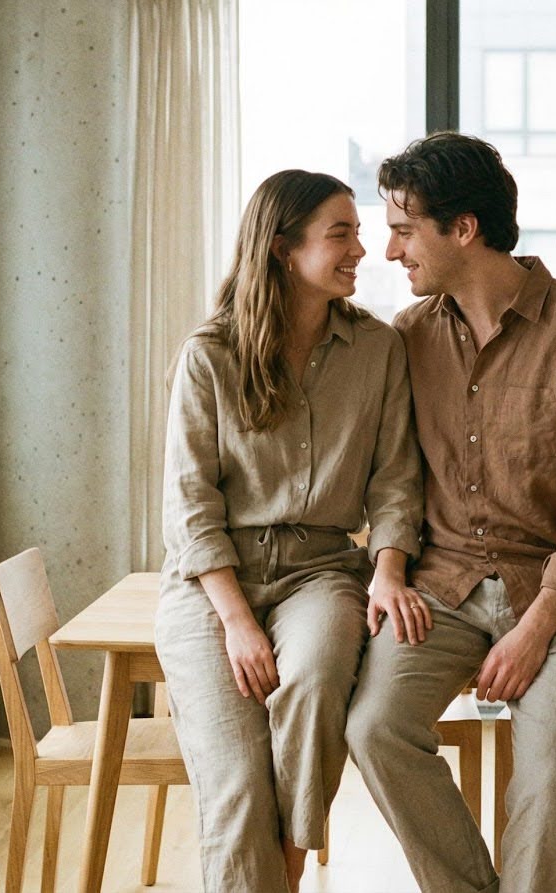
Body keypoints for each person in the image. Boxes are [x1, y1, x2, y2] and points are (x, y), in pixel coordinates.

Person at [346, 133, 556, 892]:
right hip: (441, 590)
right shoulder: (407, 338)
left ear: (463, 228)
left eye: (405, 229)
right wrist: (390, 567)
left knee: (543, 793)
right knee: (375, 728)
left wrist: (535, 627)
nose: (389, 251)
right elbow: (395, 477)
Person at [156, 169, 426, 893]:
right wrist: (238, 621)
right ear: (282, 248)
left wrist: (390, 567)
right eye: (342, 234)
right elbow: (190, 503)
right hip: (214, 586)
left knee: (311, 681)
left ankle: (286, 869)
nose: (362, 250)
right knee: (238, 787)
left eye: (358, 233)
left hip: (323, 572)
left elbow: (397, 478)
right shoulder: (209, 354)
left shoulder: (378, 349)